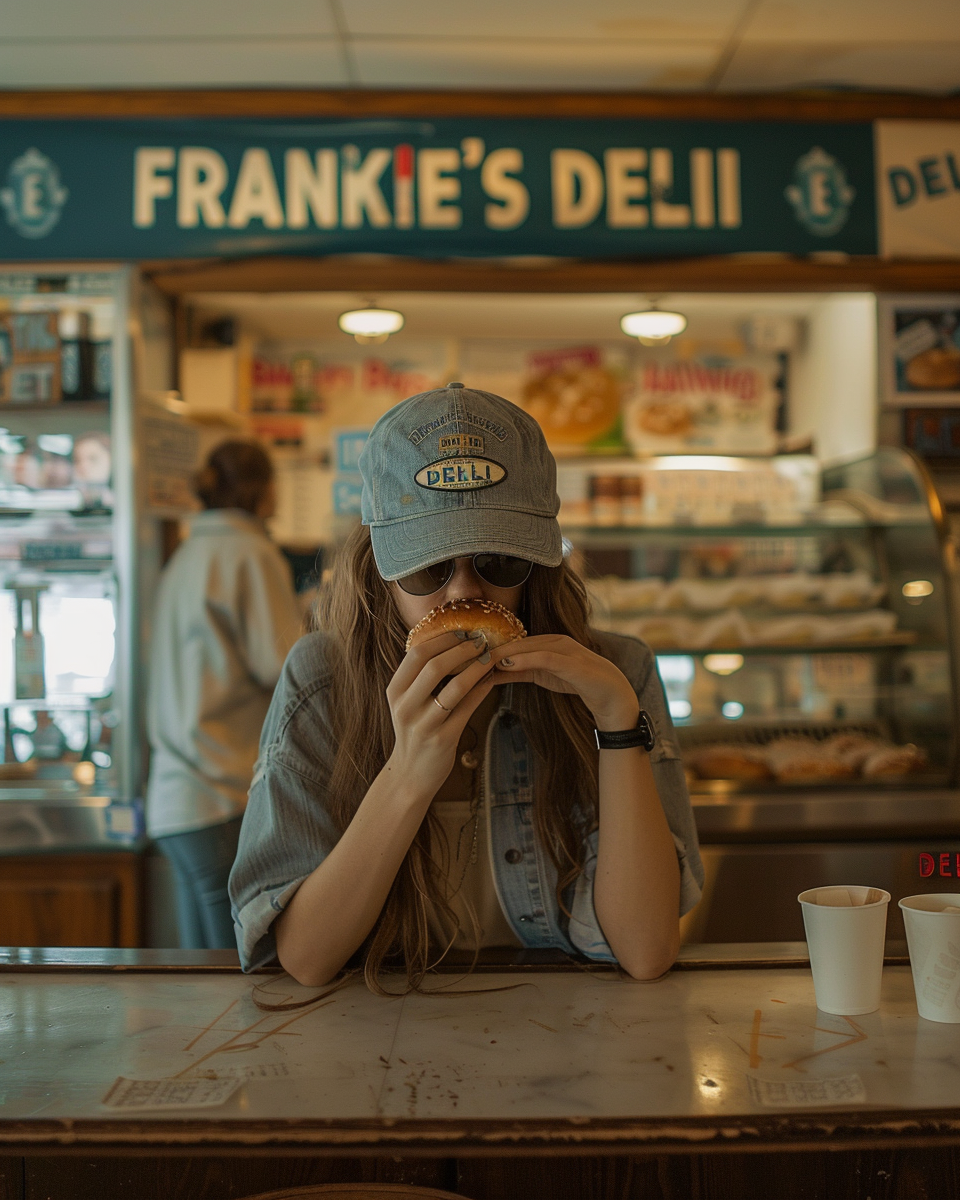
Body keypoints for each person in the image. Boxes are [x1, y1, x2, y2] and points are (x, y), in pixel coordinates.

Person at [229, 384, 702, 989]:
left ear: (538, 567)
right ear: (380, 572)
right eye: (428, 566)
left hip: (569, 1040)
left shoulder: (616, 674)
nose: (462, 593)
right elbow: (306, 958)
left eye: (499, 561)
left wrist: (615, 721)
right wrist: (409, 773)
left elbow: (645, 951)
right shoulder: (323, 681)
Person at [148, 439, 301, 949]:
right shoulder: (250, 553)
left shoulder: (187, 554)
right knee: (233, 971)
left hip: (174, 794)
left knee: (202, 976)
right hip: (218, 790)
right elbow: (287, 667)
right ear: (264, 490)